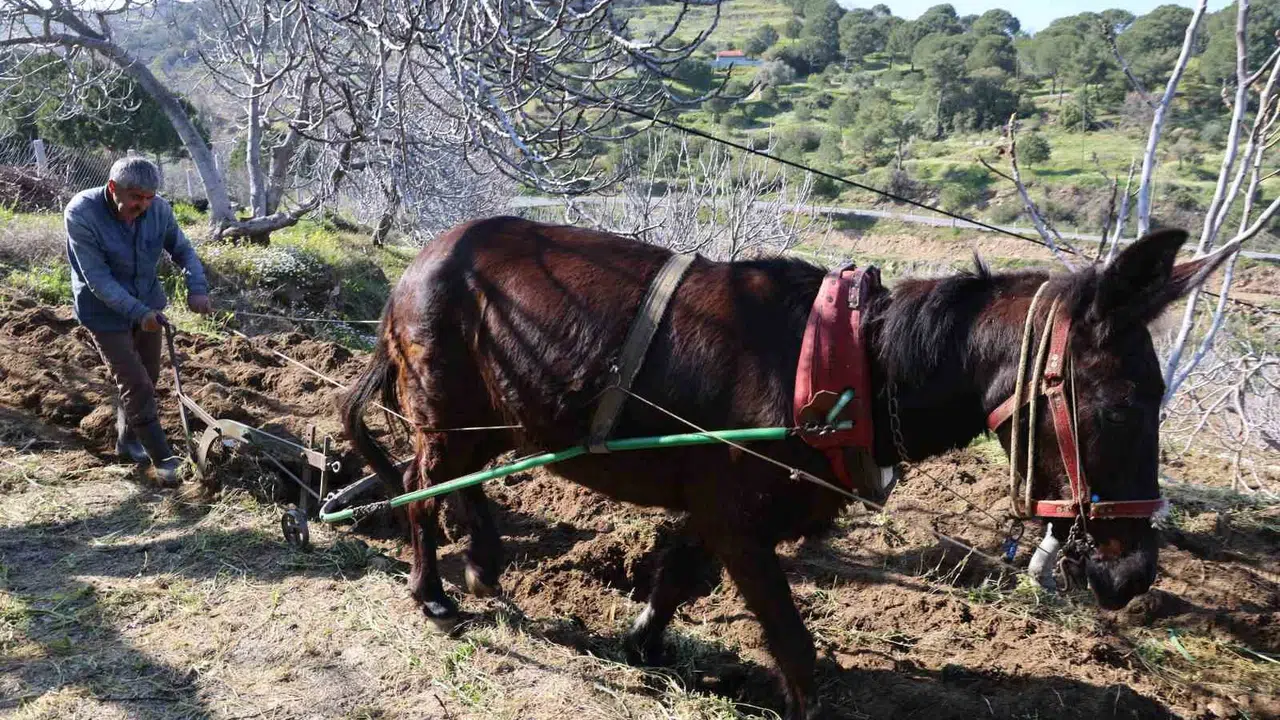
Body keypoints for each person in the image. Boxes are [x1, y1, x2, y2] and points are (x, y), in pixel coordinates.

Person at [64, 156, 213, 486]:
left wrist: (197, 288)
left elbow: (183, 250)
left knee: (148, 376)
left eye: (148, 197)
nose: (143, 206)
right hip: (102, 311)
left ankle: (128, 441)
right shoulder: (81, 212)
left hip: (147, 303)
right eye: (136, 198)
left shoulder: (158, 209)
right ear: (113, 187)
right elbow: (98, 280)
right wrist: (139, 313)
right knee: (137, 384)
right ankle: (164, 462)